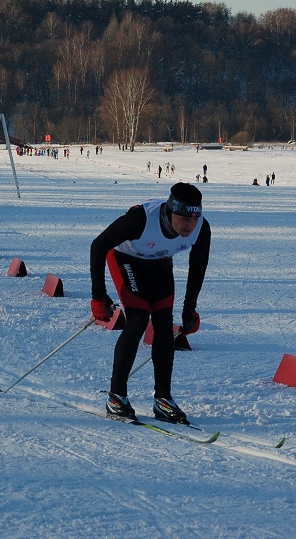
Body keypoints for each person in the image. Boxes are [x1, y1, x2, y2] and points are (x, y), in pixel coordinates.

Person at [90, 182, 211, 425]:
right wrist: (99, 297)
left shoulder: (201, 230)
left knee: (164, 325)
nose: (190, 224)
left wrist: (189, 310)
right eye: (184, 217)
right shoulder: (140, 220)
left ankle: (163, 399)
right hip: (126, 258)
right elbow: (98, 245)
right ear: (170, 211)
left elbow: (198, 269)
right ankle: (116, 396)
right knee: (138, 319)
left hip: (159, 264)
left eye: (195, 217)